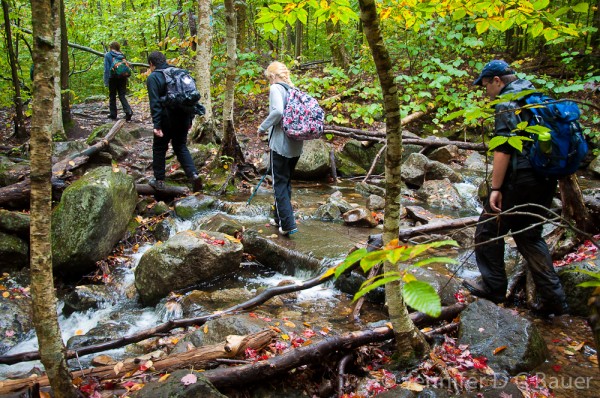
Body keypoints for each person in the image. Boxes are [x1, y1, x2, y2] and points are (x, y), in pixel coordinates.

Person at [463, 60, 569, 317]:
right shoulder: (535, 97)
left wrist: (496, 188)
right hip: (545, 178)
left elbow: (504, 149)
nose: (485, 91)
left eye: (486, 84)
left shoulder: (508, 102)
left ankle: (493, 286)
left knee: (488, 230)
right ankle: (554, 299)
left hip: (519, 179)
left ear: (497, 80)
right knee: (529, 237)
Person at [257, 61, 303, 236]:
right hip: (296, 145)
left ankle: (288, 225)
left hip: (281, 145)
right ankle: (279, 218)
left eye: (269, 78)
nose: (269, 81)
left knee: (279, 184)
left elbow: (277, 112)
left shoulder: (276, 88)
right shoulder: (294, 90)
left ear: (273, 76)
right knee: (286, 182)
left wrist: (262, 127)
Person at [146, 51, 202, 192]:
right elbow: (189, 99)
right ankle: (194, 175)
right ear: (165, 60)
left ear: (151, 64)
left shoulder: (154, 77)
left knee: (159, 148)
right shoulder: (178, 73)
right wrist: (189, 120)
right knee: (180, 146)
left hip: (166, 119)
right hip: (183, 116)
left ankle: (159, 181)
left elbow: (155, 104)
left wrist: (157, 125)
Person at [104, 41, 133, 121]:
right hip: (122, 77)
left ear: (110, 47)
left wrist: (106, 81)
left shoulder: (108, 55)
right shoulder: (122, 55)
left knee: (112, 96)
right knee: (122, 95)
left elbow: (106, 69)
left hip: (112, 78)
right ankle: (128, 111)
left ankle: (113, 114)